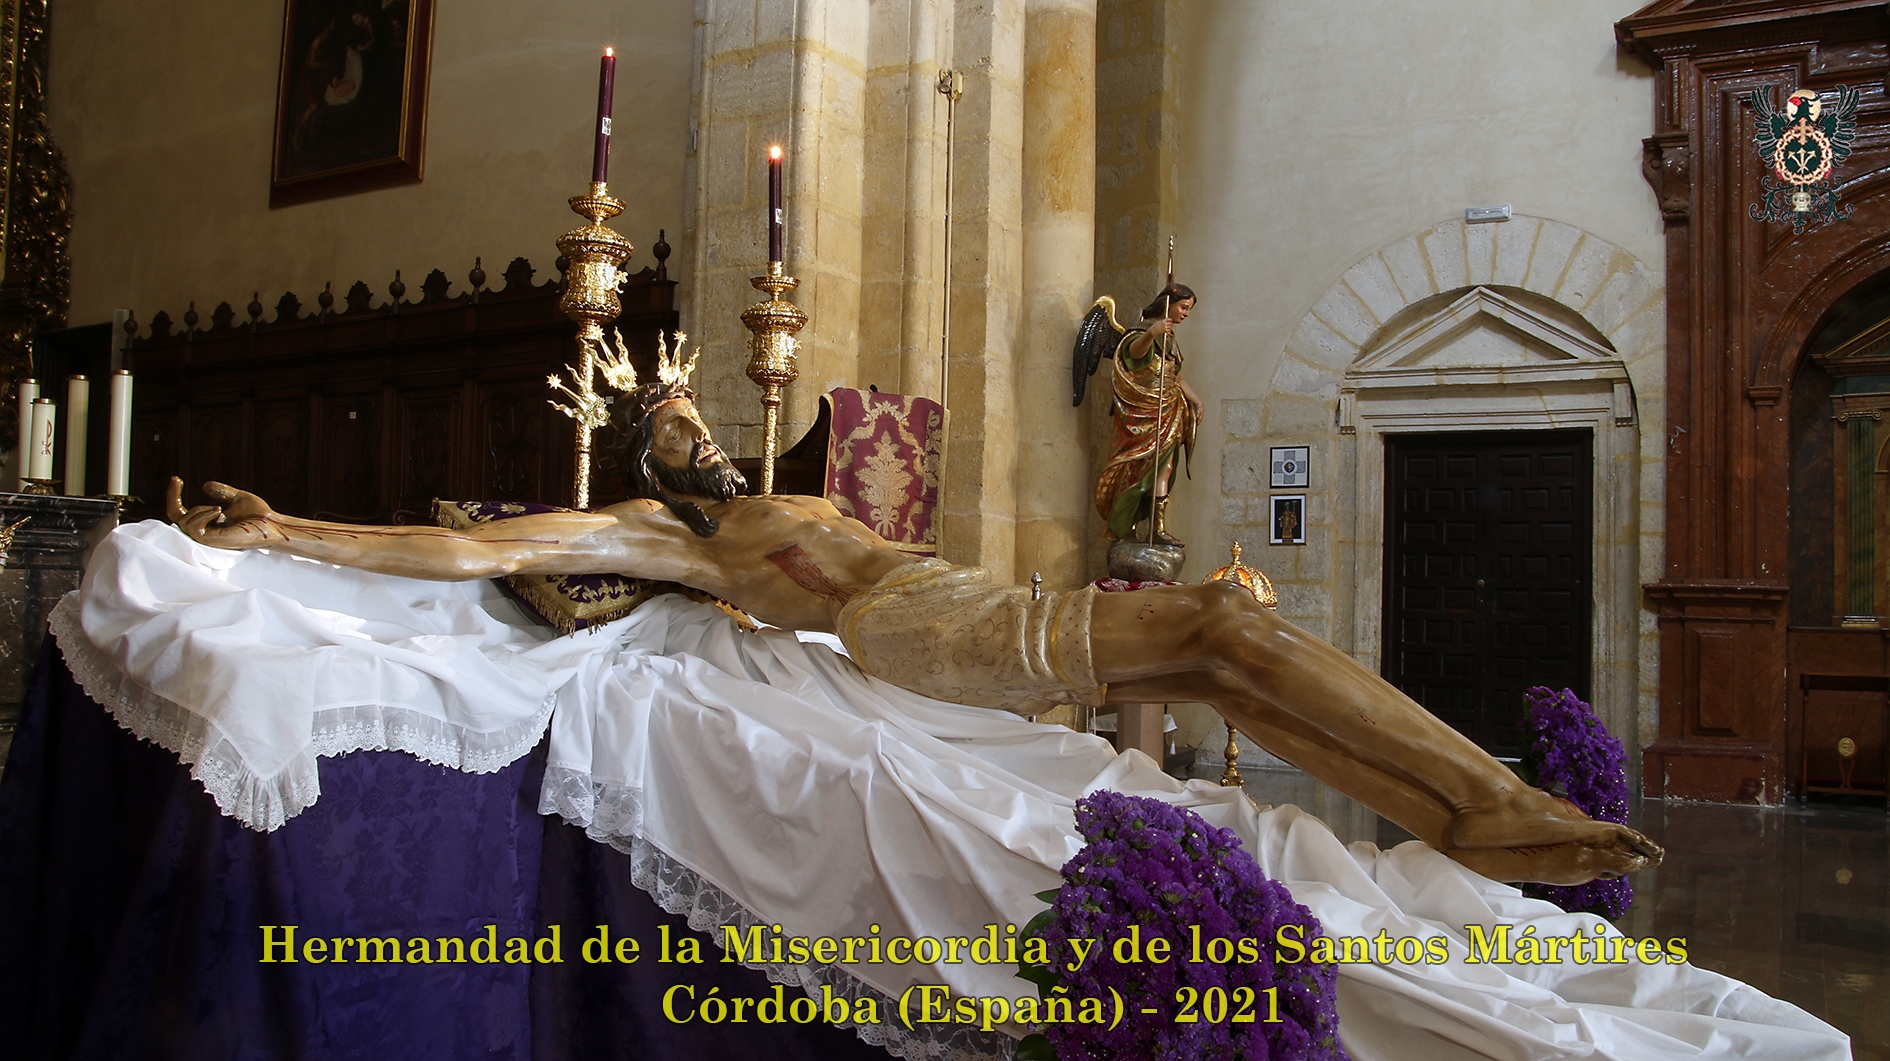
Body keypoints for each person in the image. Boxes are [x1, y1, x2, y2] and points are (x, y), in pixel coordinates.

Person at [169, 375, 1660, 887]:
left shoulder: (775, 491)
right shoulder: (670, 537)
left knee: (1221, 657)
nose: (700, 439)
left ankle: (1464, 814)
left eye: (699, 420)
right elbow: (466, 548)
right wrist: (287, 530)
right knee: (1215, 618)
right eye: (673, 433)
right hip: (909, 626)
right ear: (649, 465)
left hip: (937, 598)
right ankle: (1484, 797)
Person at [1095, 283, 1202, 544]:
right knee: (1135, 468)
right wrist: (1152, 333)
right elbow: (1133, 355)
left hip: (1167, 409)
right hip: (1142, 412)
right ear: (1168, 304)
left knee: (1165, 467)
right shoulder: (1142, 330)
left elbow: (1174, 375)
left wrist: (1196, 400)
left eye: (1189, 309)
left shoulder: (1170, 338)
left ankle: (1157, 529)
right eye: (1183, 307)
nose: (1186, 313)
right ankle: (1126, 528)